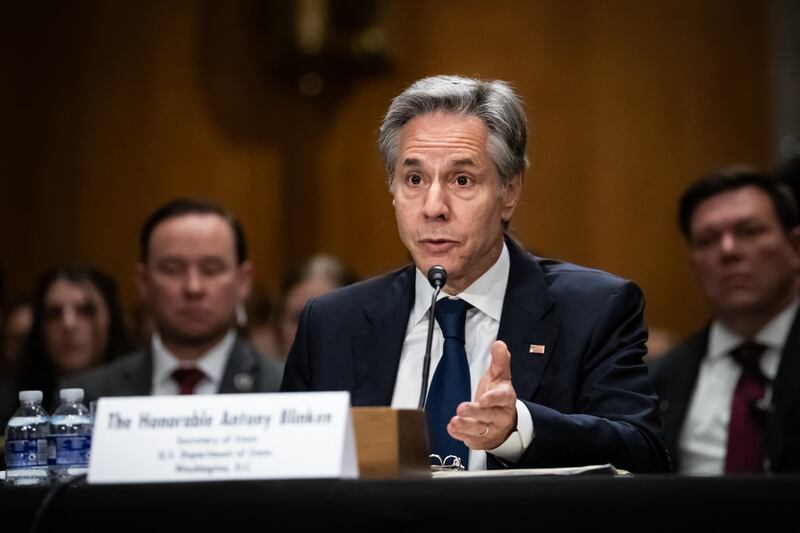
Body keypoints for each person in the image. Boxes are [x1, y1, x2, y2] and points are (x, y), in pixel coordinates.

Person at [282, 75, 668, 472]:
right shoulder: (331, 324)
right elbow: (285, 469)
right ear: (393, 191)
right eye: (414, 179)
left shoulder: (593, 310)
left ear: (510, 191)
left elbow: (645, 453)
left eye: (461, 180)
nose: (434, 207)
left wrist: (519, 428)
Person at [651, 168, 800, 474]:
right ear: (693, 263)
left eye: (749, 231)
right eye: (707, 240)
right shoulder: (662, 378)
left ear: (795, 248)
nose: (728, 251)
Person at [66, 198, 283, 401]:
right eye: (172, 269)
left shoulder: (284, 390)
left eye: (211, 269)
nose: (193, 287)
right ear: (143, 281)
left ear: (243, 281)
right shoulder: (89, 397)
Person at [4, 266, 127, 420]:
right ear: (39, 331)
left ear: (112, 322)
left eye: (85, 311)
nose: (68, 324)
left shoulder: (142, 392)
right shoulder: (12, 410)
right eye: (54, 314)